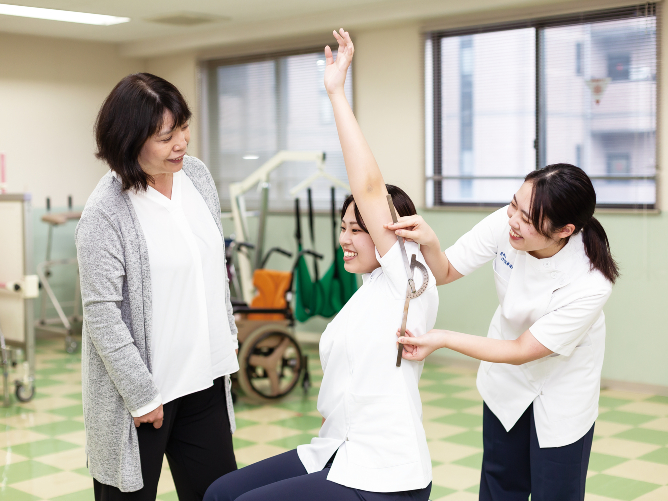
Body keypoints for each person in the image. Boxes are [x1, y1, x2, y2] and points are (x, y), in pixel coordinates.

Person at [204, 29, 437, 501]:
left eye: (359, 228)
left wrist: (335, 92)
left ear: (394, 233)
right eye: (344, 227)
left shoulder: (409, 280)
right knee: (218, 494)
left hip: (385, 472)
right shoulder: (368, 289)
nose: (345, 239)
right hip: (336, 448)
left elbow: (370, 186)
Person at [390, 163, 618, 501]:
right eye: (514, 205)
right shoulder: (508, 223)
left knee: (555, 493)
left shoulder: (591, 283)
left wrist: (442, 338)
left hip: (562, 386)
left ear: (564, 230)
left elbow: (522, 349)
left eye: (527, 219)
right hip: (506, 382)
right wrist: (430, 242)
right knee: (500, 485)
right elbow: (447, 269)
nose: (513, 220)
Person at [76, 73, 239, 501]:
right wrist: (141, 395)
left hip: (204, 381)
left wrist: (228, 340)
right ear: (129, 142)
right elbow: (101, 314)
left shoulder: (197, 177)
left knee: (219, 494)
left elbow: (211, 269)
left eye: (183, 127)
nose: (181, 143)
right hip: (143, 400)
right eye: (166, 137)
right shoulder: (105, 212)